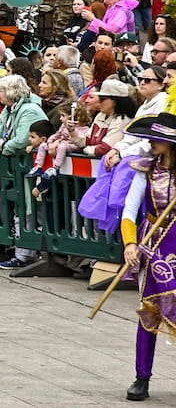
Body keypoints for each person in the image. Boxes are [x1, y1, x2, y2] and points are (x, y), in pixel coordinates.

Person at [117, 111, 176, 402]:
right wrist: (130, 244)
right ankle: (142, 377)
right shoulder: (146, 170)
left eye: (159, 139)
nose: (152, 143)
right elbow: (129, 210)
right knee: (149, 312)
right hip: (153, 244)